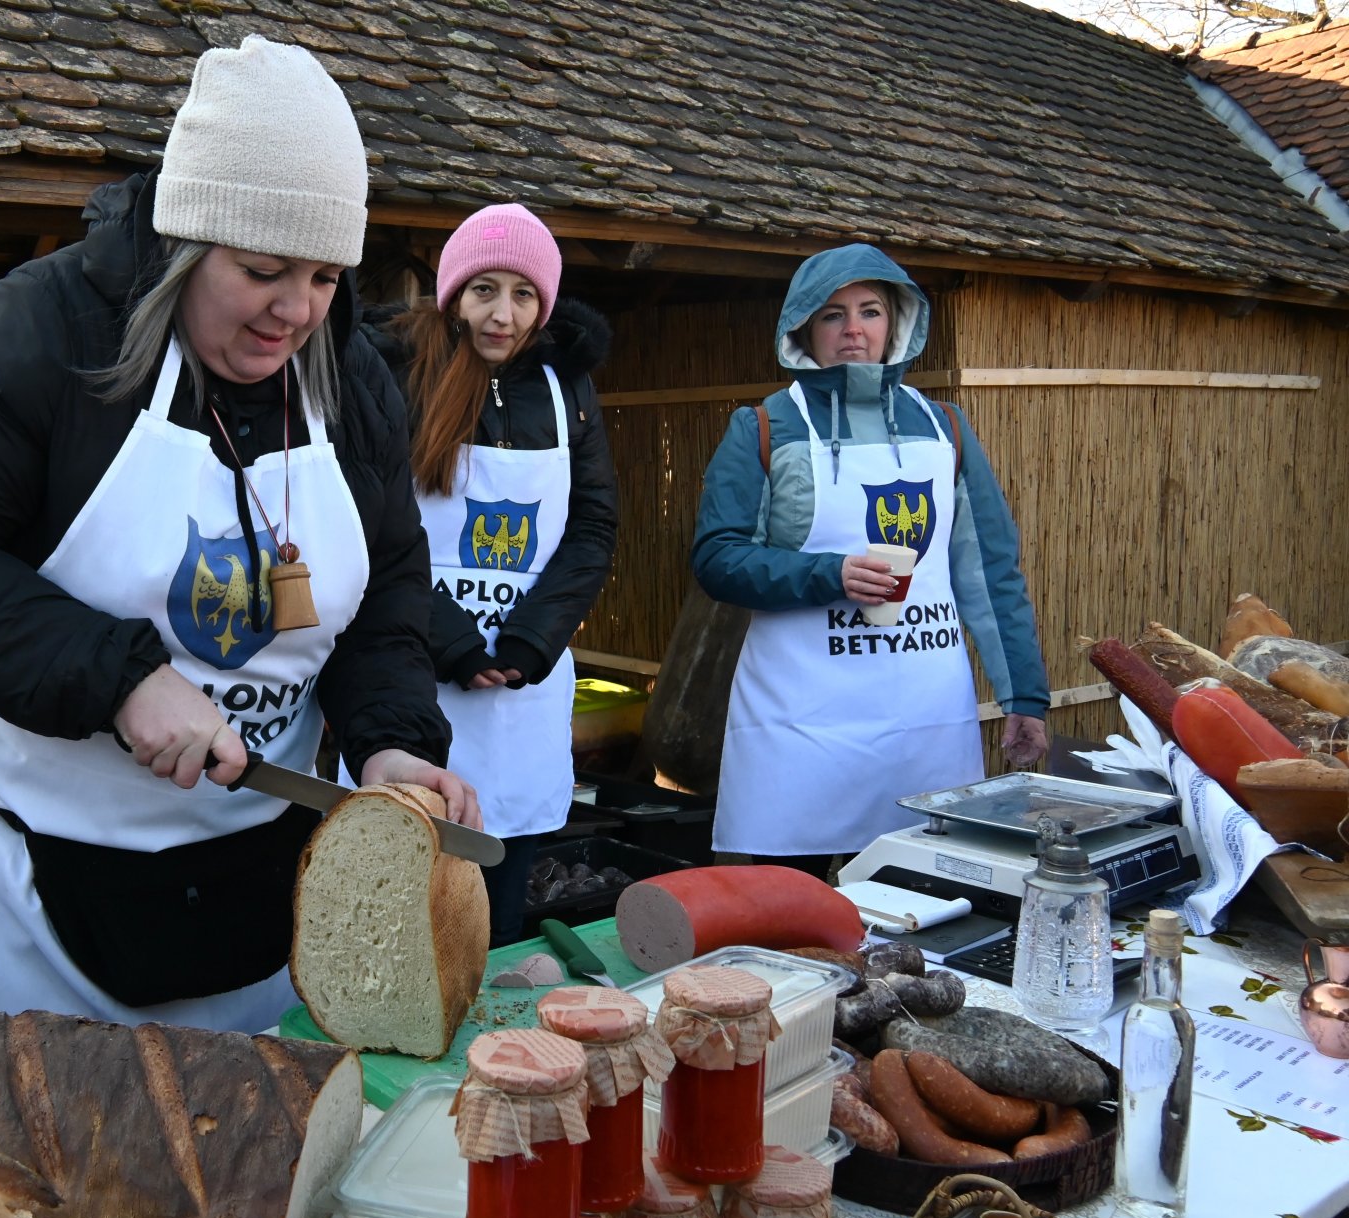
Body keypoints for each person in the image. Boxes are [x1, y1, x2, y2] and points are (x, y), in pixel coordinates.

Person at [0, 35, 478, 1032]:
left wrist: (389, 741)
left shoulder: (349, 382)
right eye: (263, 269)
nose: (295, 312)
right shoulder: (45, 336)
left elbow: (387, 588)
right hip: (23, 891)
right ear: (187, 241)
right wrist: (118, 676)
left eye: (325, 276)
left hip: (259, 886)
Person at [692, 244, 1049, 880]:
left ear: (898, 322)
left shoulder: (946, 428)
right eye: (832, 314)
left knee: (923, 921)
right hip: (801, 728)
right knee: (791, 919)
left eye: (870, 311)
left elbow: (990, 573)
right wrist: (829, 574)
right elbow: (718, 559)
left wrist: (1023, 692)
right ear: (803, 326)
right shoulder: (766, 427)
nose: (853, 330)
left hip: (925, 727)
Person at [364, 204, 618, 946]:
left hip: (524, 692)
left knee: (499, 912)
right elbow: (373, 525)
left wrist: (531, 640)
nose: (503, 315)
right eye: (484, 290)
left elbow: (593, 524)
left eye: (523, 294)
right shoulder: (395, 375)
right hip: (416, 672)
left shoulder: (567, 390)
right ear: (452, 295)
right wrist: (452, 641)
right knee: (406, 902)